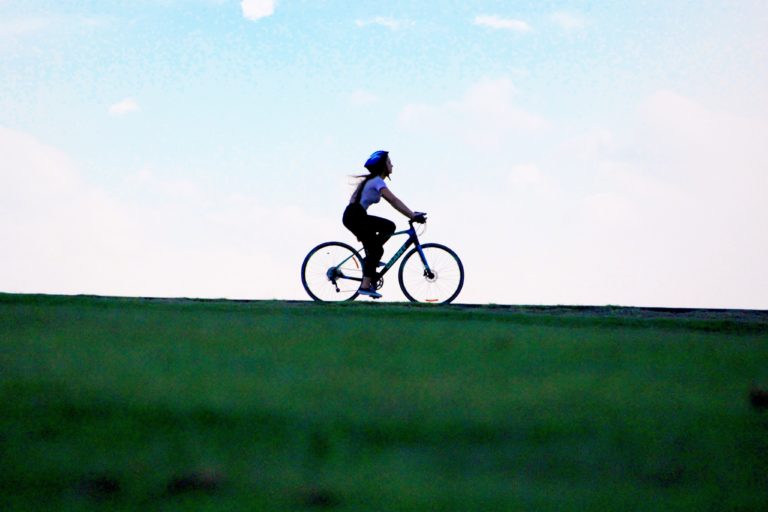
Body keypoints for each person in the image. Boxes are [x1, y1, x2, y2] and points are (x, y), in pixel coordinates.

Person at [342, 150, 425, 298]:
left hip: (354, 215)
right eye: (389, 162)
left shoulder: (371, 181)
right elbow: (394, 201)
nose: (392, 164)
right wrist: (412, 215)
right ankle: (365, 285)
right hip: (355, 215)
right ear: (383, 166)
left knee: (382, 237)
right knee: (379, 244)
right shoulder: (377, 182)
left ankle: (370, 260)